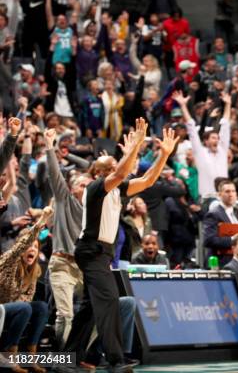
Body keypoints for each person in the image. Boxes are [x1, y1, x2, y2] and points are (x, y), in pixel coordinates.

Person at [60, 119, 179, 372]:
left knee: (91, 308)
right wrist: (135, 147)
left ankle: (66, 359)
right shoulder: (94, 188)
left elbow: (146, 181)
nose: (114, 170)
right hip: (90, 250)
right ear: (97, 174)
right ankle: (115, 360)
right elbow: (122, 173)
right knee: (110, 301)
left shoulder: (116, 189)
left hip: (102, 253)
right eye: (109, 168)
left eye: (114, 167)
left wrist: (163, 155)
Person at [43, 128, 93, 349]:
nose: (86, 188)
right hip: (62, 263)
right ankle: (63, 358)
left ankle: (81, 354)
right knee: (66, 315)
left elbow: (88, 167)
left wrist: (68, 155)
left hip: (83, 266)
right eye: (82, 185)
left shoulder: (95, 209)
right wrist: (50, 146)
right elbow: (55, 174)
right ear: (72, 189)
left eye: (88, 185)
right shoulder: (64, 200)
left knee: (98, 311)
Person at [0, 206, 53, 373]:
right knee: (24, 307)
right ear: (21, 249)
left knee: (41, 307)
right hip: (1, 308)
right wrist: (42, 221)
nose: (32, 250)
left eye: (36, 247)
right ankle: (11, 356)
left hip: (15, 310)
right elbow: (22, 244)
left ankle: (31, 356)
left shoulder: (33, 271)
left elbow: (29, 296)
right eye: (29, 246)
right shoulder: (9, 260)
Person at [172, 90, 231, 200]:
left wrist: (228, 104)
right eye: (213, 138)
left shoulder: (222, 150)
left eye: (217, 138)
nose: (217, 140)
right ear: (206, 141)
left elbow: (225, 127)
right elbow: (191, 129)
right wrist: (183, 106)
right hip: (207, 198)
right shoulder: (200, 152)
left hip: (225, 197)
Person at [203, 180, 238, 267]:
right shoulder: (213, 214)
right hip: (219, 262)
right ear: (219, 194)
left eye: (233, 191)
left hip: (236, 262)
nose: (231, 194)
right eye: (227, 191)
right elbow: (209, 240)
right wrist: (235, 239)